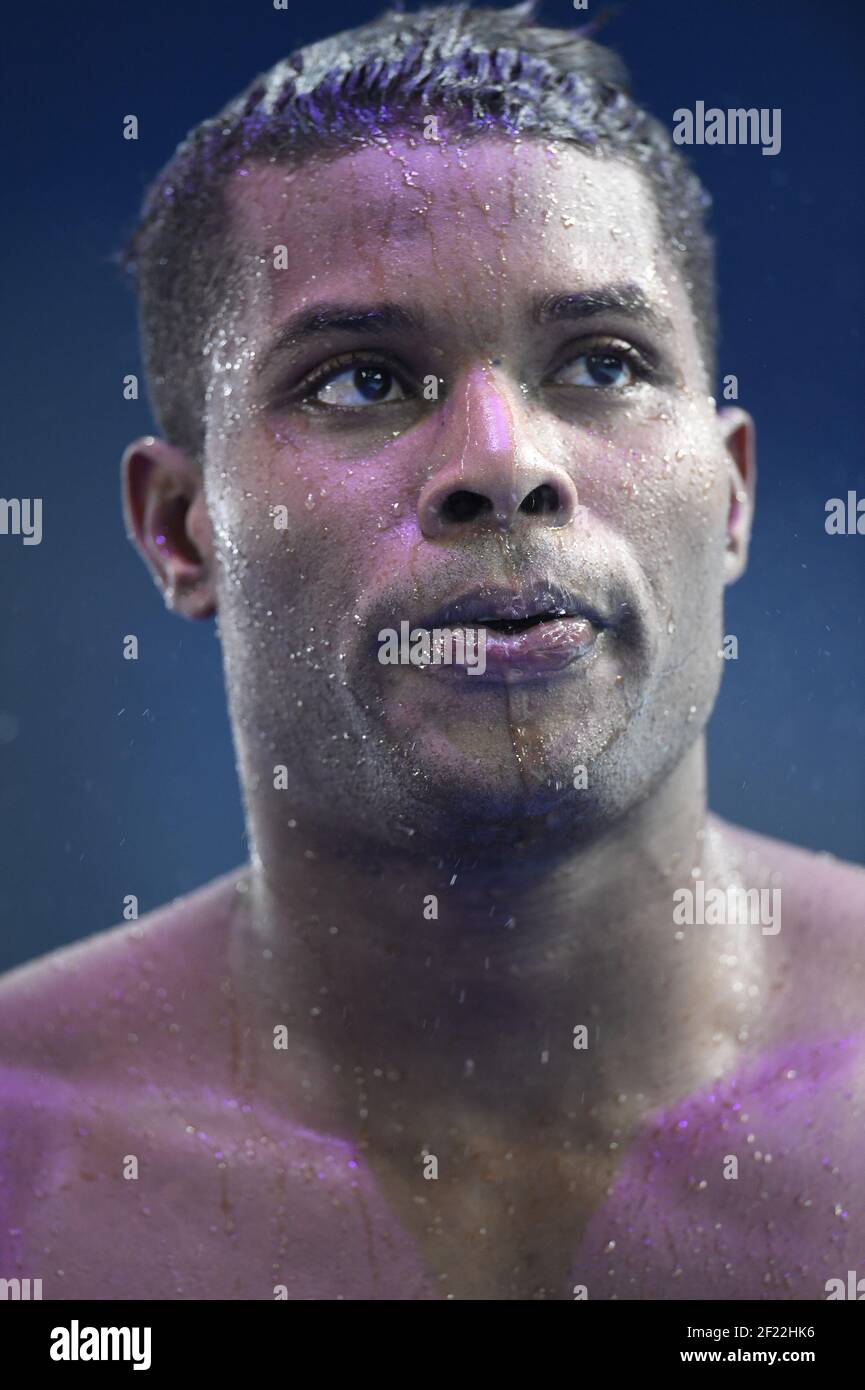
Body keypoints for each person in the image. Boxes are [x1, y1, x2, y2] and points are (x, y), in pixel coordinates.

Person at [1, 2, 863, 1302]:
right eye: (361, 379)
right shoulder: (24, 1159)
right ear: (183, 531)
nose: (504, 464)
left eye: (600, 361)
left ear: (732, 495)